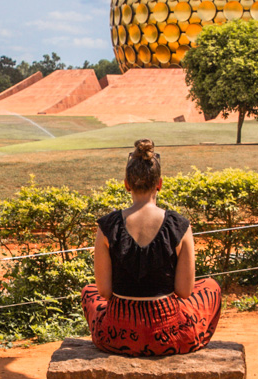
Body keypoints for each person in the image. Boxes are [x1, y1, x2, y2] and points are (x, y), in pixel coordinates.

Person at [81, 139, 222, 356]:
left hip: (117, 334)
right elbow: (184, 292)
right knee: (210, 286)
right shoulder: (180, 225)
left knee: (88, 293)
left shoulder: (108, 226)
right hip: (168, 334)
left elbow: (104, 292)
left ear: (127, 184)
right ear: (160, 183)